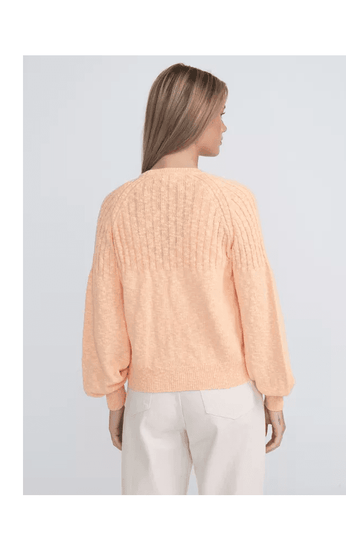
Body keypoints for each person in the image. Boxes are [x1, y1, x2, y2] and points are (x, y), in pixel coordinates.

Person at [81, 63, 296, 495]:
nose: (224, 126)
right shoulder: (232, 200)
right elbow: (258, 305)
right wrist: (274, 393)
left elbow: (105, 313)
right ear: (195, 116)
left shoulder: (117, 205)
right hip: (226, 396)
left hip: (149, 398)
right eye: (220, 114)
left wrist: (115, 398)